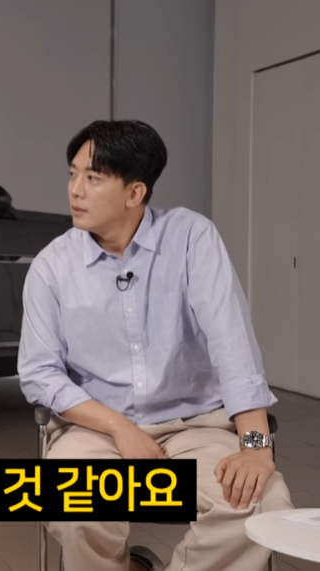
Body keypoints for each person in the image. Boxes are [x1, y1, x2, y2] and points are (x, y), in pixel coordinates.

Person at [18, 119, 294, 571]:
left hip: (195, 428)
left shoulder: (191, 238)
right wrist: (119, 428)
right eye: (72, 174)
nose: (75, 190)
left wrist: (256, 445)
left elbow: (233, 345)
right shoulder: (52, 266)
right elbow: (39, 374)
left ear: (135, 192)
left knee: (261, 503)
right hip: (94, 432)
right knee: (74, 504)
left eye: (93, 178)